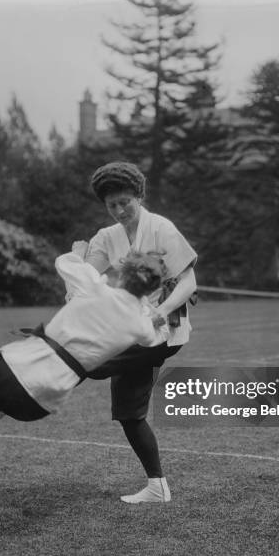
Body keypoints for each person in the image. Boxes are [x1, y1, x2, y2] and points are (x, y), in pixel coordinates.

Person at [0, 249, 169, 504]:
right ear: (151, 289)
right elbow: (156, 336)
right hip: (38, 404)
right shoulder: (140, 325)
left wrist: (80, 251)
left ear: (122, 272)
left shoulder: (95, 287)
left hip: (15, 370)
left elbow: (63, 261)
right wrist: (149, 309)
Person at [80, 161, 197, 504]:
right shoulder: (106, 237)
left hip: (162, 333)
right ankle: (157, 486)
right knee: (129, 414)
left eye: (124, 203)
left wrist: (161, 310)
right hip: (129, 330)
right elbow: (86, 277)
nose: (119, 211)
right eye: (111, 205)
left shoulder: (162, 229)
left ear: (139, 196)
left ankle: (21, 395)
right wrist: (76, 274)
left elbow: (189, 280)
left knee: (87, 360)